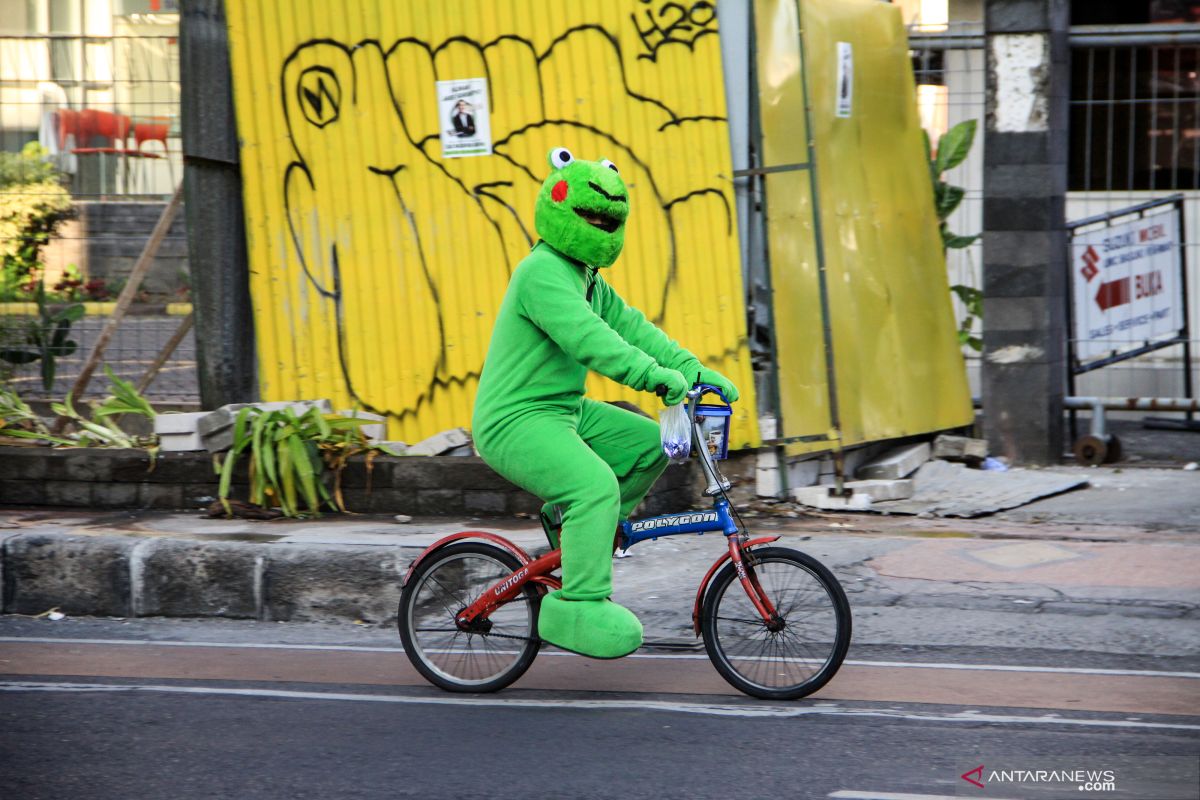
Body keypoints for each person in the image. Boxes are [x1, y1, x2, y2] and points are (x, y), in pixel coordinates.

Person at [472, 147, 738, 659]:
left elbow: (635, 329)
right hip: (515, 420)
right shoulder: (543, 272)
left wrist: (695, 372)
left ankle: (572, 525)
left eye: (607, 219)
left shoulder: (588, 277)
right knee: (594, 485)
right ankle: (580, 605)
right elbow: (590, 339)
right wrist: (652, 379)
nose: (599, 226)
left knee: (651, 443)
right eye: (589, 216)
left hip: (565, 411)